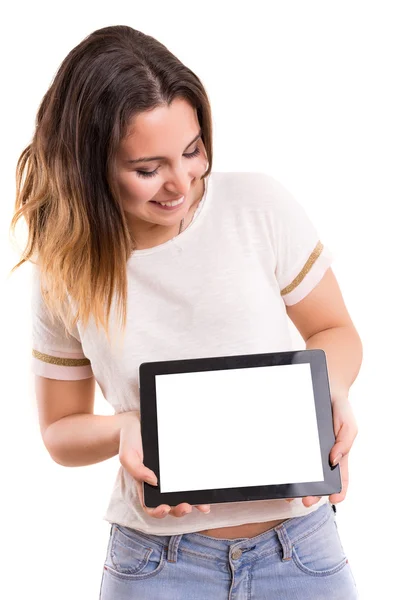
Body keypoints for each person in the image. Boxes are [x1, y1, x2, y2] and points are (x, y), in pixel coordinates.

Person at [10, 25, 362, 599]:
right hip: (157, 565)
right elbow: (59, 431)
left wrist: (329, 386)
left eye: (193, 150)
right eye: (148, 169)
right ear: (88, 167)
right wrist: (125, 427)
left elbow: (335, 329)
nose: (181, 183)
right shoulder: (66, 270)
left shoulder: (258, 206)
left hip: (301, 549)